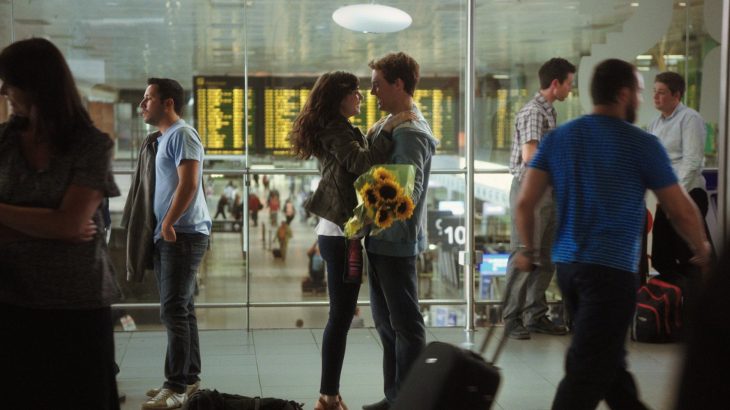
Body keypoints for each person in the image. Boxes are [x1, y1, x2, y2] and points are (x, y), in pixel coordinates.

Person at [514, 58, 712, 410]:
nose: (641, 98)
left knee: (608, 363)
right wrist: (703, 249)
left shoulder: (561, 137)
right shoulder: (641, 144)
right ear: (623, 94)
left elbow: (525, 202)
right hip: (611, 272)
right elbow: (681, 209)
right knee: (586, 371)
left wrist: (528, 250)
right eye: (638, 91)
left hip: (569, 270)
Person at [0, 37, 121, 409]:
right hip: (12, 298)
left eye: (10, 81)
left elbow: (71, 224)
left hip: (78, 308)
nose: (3, 90)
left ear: (35, 84)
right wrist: (52, 222)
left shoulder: (90, 145)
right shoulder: (4, 143)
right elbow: (67, 225)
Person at [290, 71, 410, 410]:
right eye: (354, 92)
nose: (361, 97)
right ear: (338, 97)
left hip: (342, 234)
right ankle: (327, 396)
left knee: (340, 317)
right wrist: (387, 129)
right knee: (340, 318)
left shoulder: (337, 126)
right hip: (341, 236)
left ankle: (330, 394)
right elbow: (361, 163)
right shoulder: (333, 127)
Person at [363, 52, 438, 410]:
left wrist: (363, 191)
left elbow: (404, 190)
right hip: (381, 240)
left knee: (405, 325)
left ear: (398, 84)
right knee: (387, 324)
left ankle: (409, 400)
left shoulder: (410, 132)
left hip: (395, 241)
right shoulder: (393, 124)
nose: (372, 90)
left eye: (378, 84)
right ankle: (395, 396)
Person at [135, 78, 212, 409]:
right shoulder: (164, 138)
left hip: (182, 233)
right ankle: (190, 379)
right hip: (173, 233)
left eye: (148, 98)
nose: (142, 104)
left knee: (173, 310)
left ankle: (176, 385)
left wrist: (167, 223)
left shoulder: (182, 134)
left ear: (168, 103)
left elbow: (189, 182)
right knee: (183, 308)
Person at [503, 57, 576, 339]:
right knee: (525, 251)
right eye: (569, 83)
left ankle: (535, 315)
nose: (571, 89)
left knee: (545, 256)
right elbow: (530, 156)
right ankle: (512, 318)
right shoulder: (534, 112)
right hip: (531, 190)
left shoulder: (548, 112)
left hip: (547, 189)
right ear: (555, 83)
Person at [647, 71, 711, 301]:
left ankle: (697, 308)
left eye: (662, 93)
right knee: (662, 257)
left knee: (688, 256)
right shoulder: (655, 124)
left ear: (677, 95)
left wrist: (676, 195)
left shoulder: (689, 118)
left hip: (688, 194)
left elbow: (692, 161)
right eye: (654, 91)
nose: (655, 97)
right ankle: (673, 304)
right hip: (667, 198)